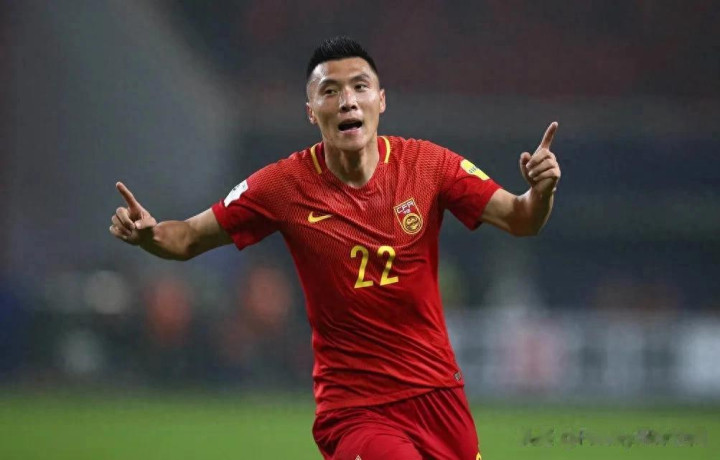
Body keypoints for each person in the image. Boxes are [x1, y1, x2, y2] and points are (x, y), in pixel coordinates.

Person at [109, 36, 561, 460]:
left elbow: (521, 219)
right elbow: (188, 237)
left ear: (381, 100)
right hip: (356, 410)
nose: (347, 100)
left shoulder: (429, 166)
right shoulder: (283, 186)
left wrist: (540, 192)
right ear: (311, 111)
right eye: (330, 91)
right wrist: (150, 234)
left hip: (439, 397)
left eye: (360, 87)